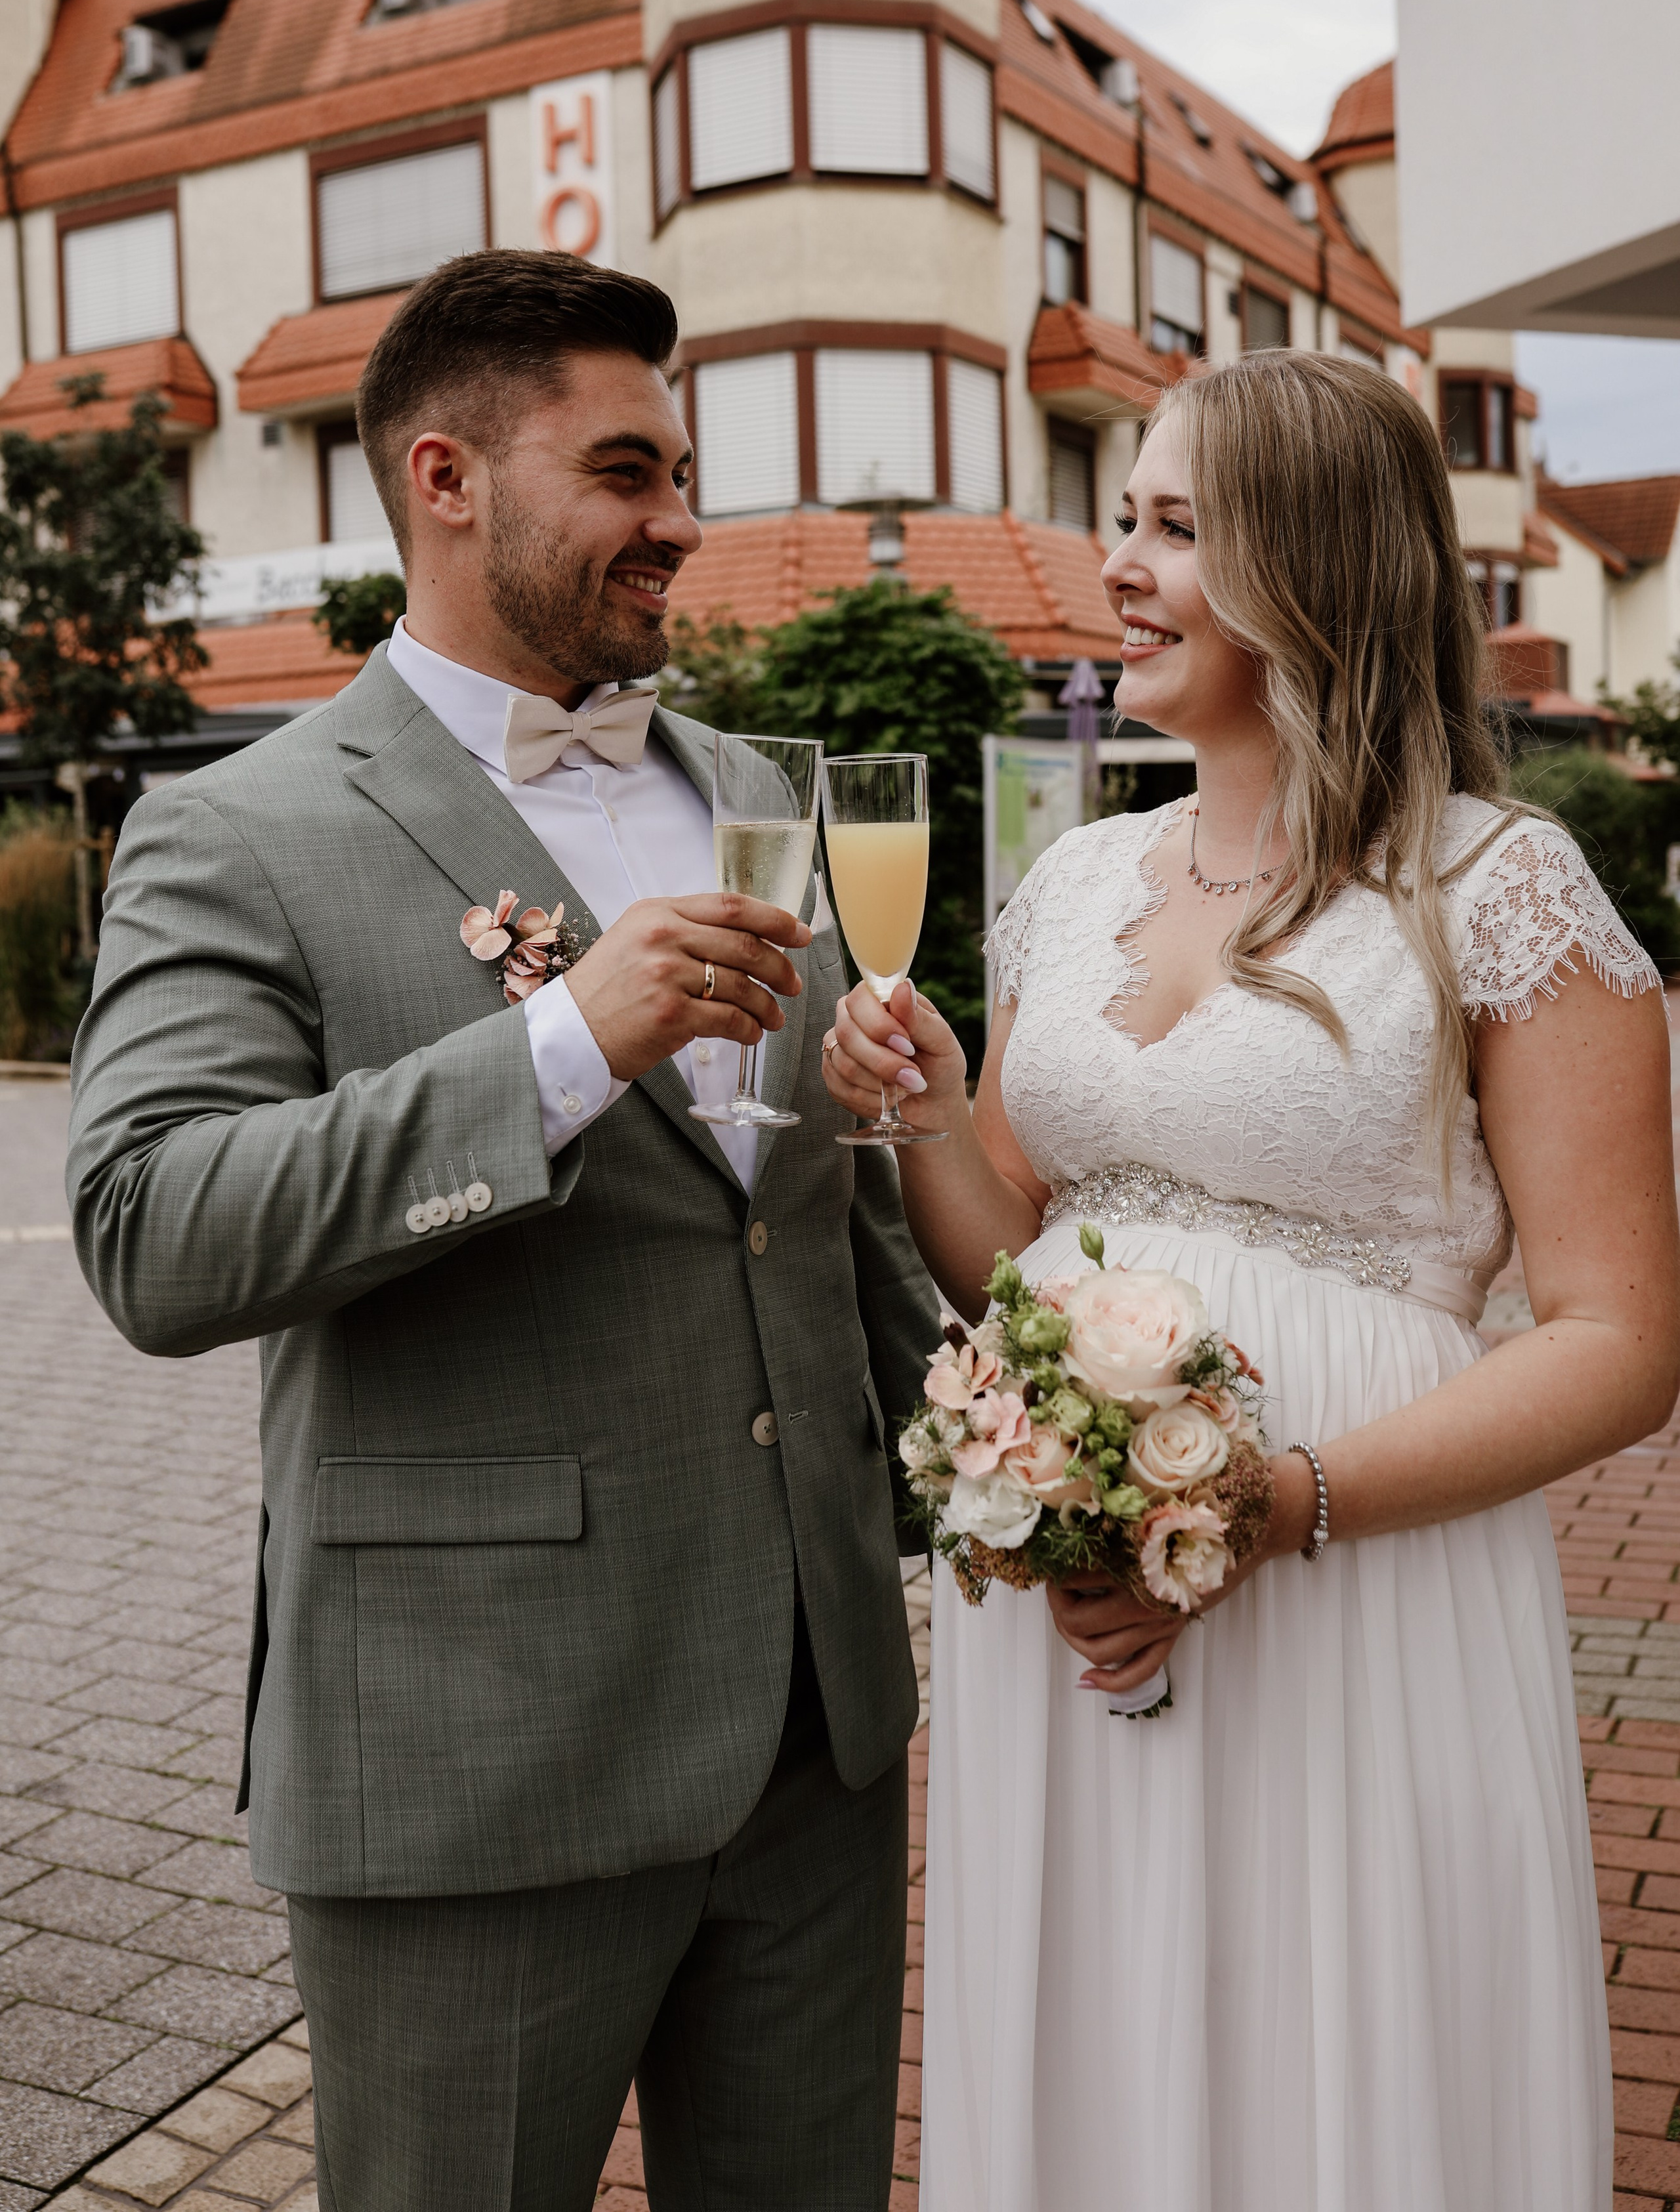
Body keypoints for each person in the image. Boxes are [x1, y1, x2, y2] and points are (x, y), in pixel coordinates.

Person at [68, 249, 940, 2212]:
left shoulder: (750, 790)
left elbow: (802, 1211)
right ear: (447, 480)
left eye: (680, 471)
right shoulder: (240, 830)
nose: (684, 522)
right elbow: (147, 1232)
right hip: (482, 1751)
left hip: (816, 1734)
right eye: (628, 471)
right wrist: (559, 1045)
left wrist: (1024, 1474)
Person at [824, 349, 1680, 2212]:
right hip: (1070, 1608)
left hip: (1355, 1589)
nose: (1116, 564)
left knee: (1340, 2056)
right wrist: (928, 1125)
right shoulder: (1071, 881)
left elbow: (1622, 1347)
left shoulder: (1500, 887)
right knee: (1096, 2038)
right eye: (1122, 518)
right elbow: (1010, 1264)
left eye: (1175, 526)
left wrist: (1279, 1503)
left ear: (1317, 558)